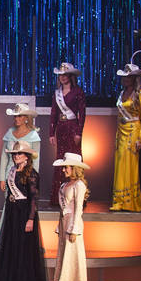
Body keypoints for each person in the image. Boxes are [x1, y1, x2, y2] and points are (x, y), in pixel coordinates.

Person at [0, 140, 44, 281]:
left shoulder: (32, 174)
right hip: (12, 212)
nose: (15, 156)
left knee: (22, 247)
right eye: (14, 154)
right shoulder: (12, 171)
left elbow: (34, 198)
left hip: (24, 213)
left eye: (19, 153)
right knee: (11, 245)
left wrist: (30, 219)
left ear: (27, 156)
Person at [0, 103, 40, 254]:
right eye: (15, 116)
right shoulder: (9, 133)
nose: (17, 119)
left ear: (27, 118)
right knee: (9, 205)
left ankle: (21, 242)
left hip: (26, 176)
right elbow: (4, 156)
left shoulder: (34, 136)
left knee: (24, 206)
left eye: (20, 116)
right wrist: (2, 177)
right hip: (10, 173)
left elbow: (37, 159)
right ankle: (5, 242)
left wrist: (33, 179)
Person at [110, 63, 141, 211]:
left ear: (134, 78)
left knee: (129, 165)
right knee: (120, 166)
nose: (125, 80)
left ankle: (130, 202)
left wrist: (140, 138)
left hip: (133, 131)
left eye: (128, 77)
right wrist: (116, 135)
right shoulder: (121, 94)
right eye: (124, 77)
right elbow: (119, 116)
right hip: (121, 131)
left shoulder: (140, 95)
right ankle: (119, 200)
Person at [53, 152, 90, 281]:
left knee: (72, 257)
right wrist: (59, 225)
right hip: (63, 223)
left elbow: (79, 209)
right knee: (63, 255)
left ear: (74, 168)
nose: (63, 170)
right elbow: (64, 208)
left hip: (72, 225)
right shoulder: (64, 185)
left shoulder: (79, 185)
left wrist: (74, 230)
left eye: (66, 167)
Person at [49, 63, 87, 206]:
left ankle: (77, 196)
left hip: (72, 127)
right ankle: (58, 196)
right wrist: (51, 133)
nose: (62, 77)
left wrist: (79, 132)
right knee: (61, 159)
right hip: (61, 128)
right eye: (60, 75)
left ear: (70, 76)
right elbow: (53, 113)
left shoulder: (78, 92)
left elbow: (82, 114)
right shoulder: (56, 93)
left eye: (65, 75)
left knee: (74, 159)